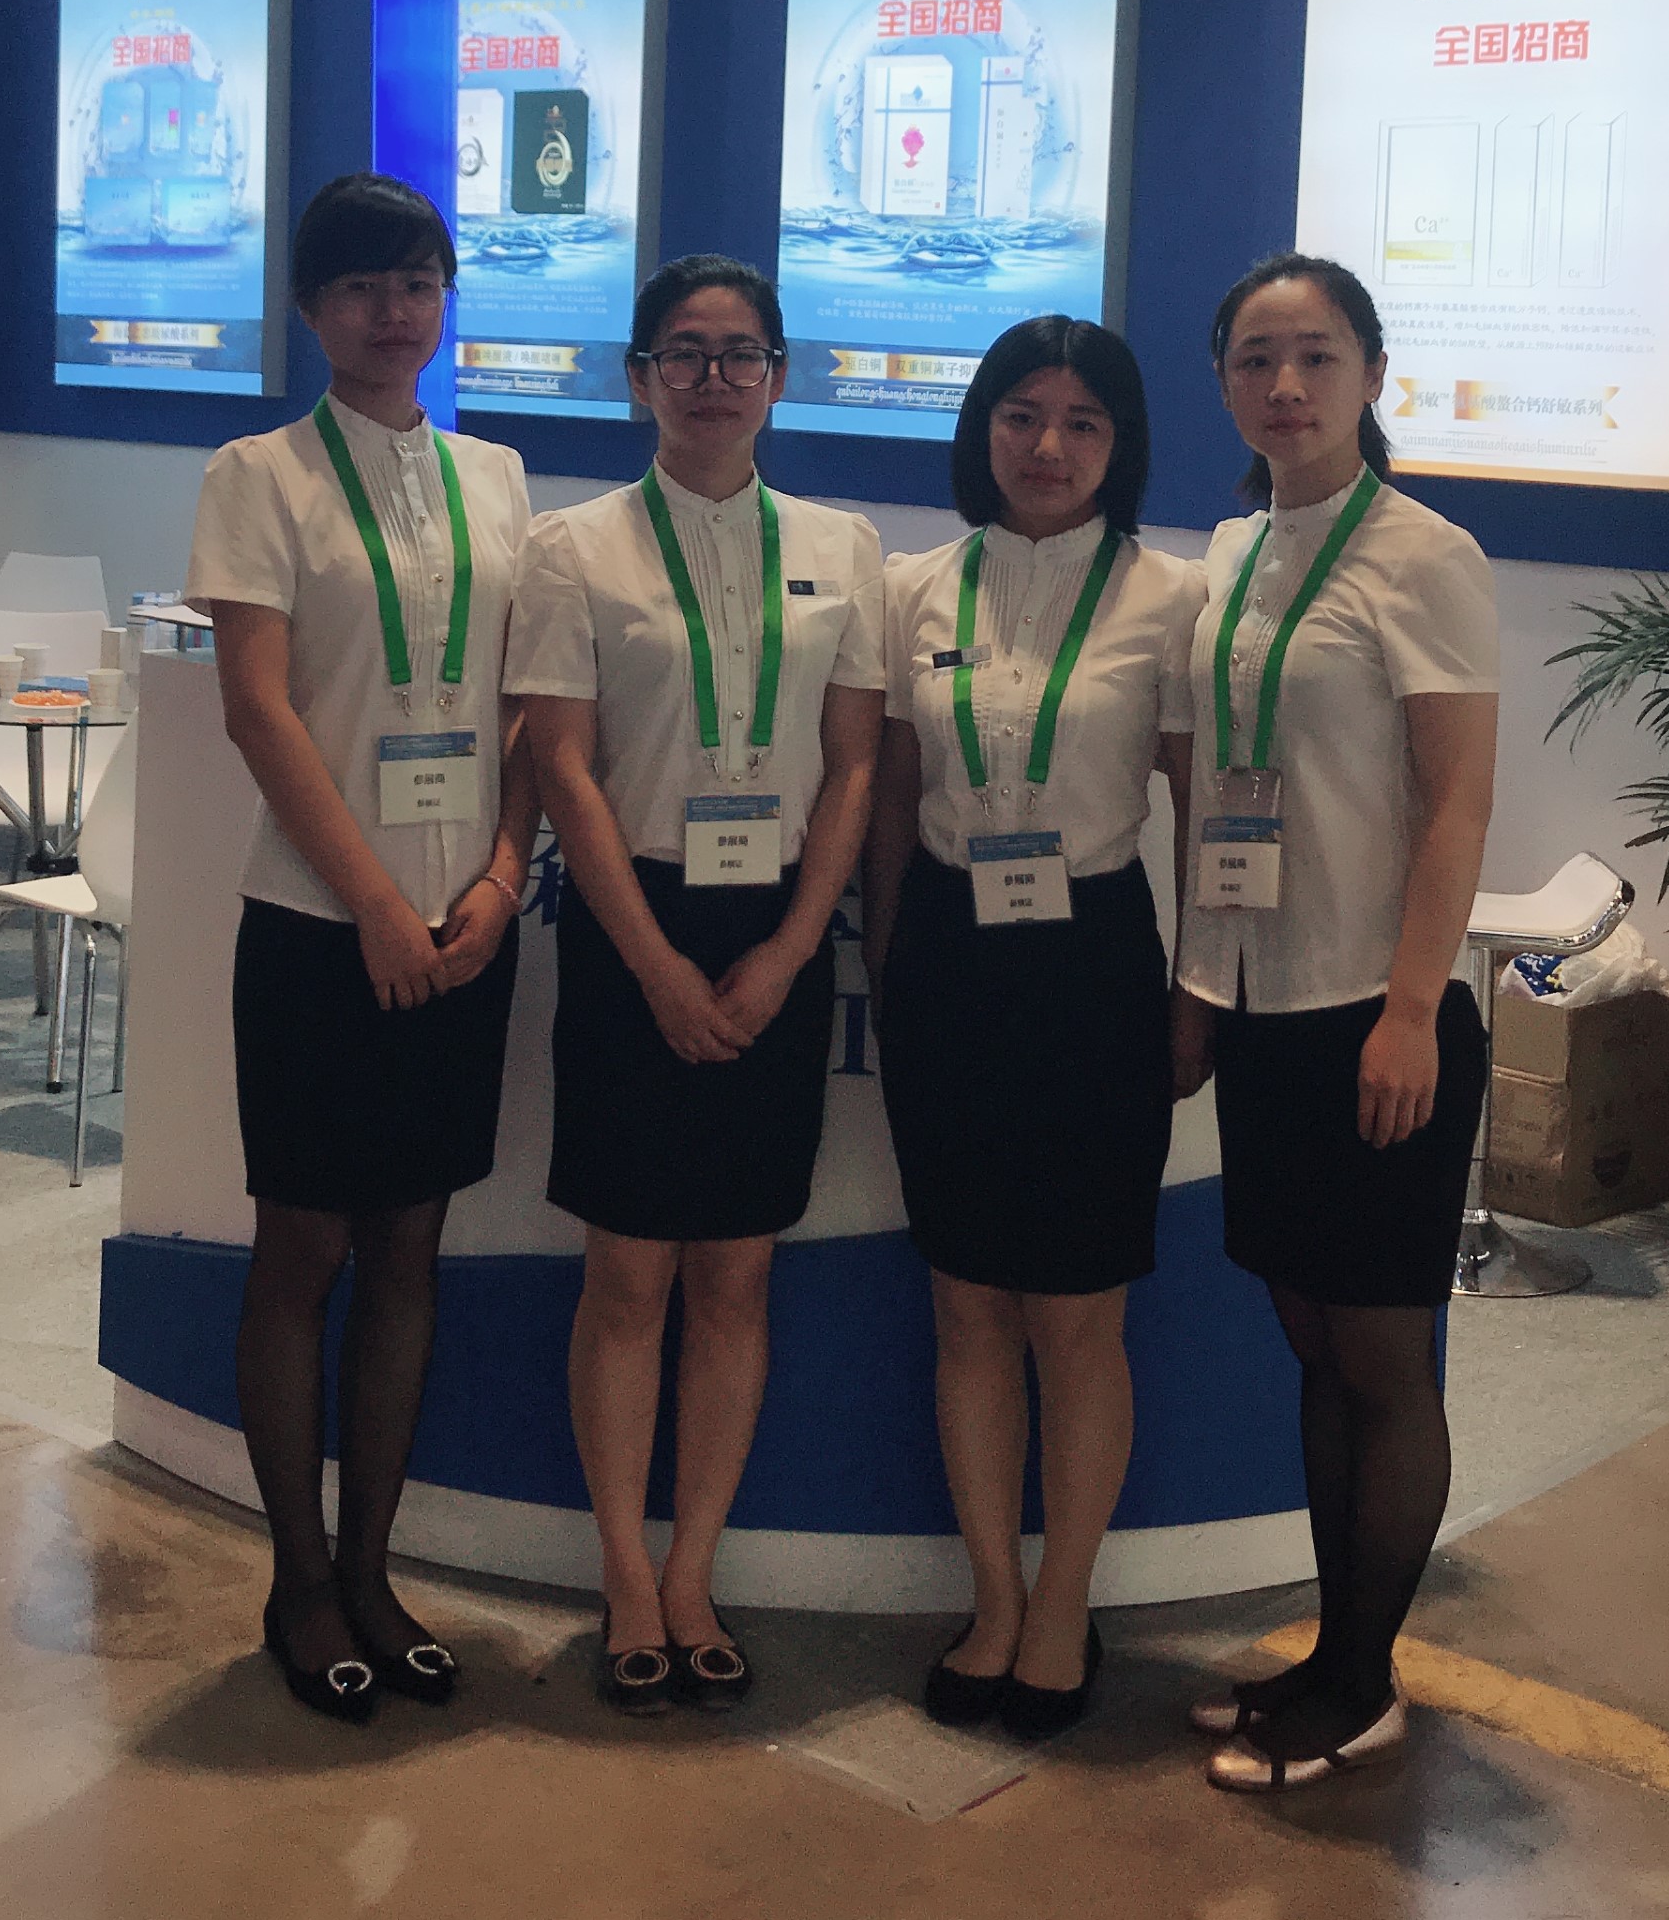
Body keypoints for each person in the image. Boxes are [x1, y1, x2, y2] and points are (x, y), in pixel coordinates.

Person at [509, 255, 884, 1712]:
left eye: (740, 354)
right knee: (626, 1278)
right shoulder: (573, 548)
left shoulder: (845, 546)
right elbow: (563, 766)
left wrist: (791, 951)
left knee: (737, 1276)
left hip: (779, 925)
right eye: (684, 353)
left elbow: (853, 767)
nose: (713, 378)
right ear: (639, 378)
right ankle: (623, 1571)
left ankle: (693, 1571)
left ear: (779, 377)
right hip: (633, 922)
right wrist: (657, 964)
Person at [188, 172, 539, 1724]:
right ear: (309, 309)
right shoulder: (256, 476)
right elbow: (258, 710)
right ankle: (299, 1579)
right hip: (320, 925)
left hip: (466, 927)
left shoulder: (500, 478)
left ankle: (375, 1570)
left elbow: (528, 708)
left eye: (419, 281)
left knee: (411, 1249)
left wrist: (504, 875)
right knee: (305, 1252)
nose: (395, 311)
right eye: (361, 286)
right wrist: (379, 906)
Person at [1173, 251, 1499, 1792]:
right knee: (1311, 1340)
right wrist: (1203, 991)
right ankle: (1331, 1653)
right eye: (1256, 358)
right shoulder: (1233, 548)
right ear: (1225, 382)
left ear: (1374, 373)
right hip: (1269, 1006)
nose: (1286, 385)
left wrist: (1415, 1008)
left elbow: (1457, 804)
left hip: (1382, 1013)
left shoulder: (1427, 555)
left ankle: (1364, 1680)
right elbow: (1219, 791)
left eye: (1315, 355)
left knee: (1381, 1355)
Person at [863, 318, 1201, 1739]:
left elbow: (1208, 806)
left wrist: (1198, 994)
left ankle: (1065, 1605)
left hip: (1094, 961)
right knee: (966, 1307)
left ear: (1120, 444)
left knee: (1077, 1315)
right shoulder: (912, 588)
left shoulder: (1173, 598)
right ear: (982, 428)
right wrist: (889, 969)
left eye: (1082, 422)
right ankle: (992, 1599)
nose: (1048, 447)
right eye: (1021, 416)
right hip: (949, 961)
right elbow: (891, 801)